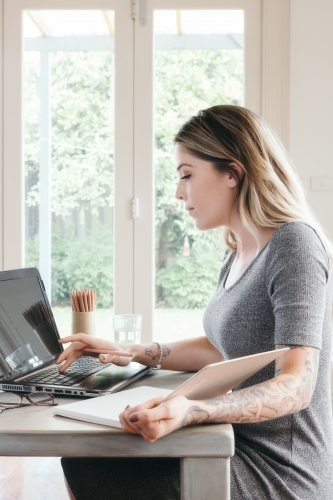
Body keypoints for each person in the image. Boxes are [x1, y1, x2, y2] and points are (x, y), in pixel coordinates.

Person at [56, 105, 333, 500]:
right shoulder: (239, 250)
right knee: (87, 457)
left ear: (233, 173)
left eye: (187, 174)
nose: (178, 191)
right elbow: (220, 348)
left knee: (97, 467)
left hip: (281, 470)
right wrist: (132, 351)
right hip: (230, 439)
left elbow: (297, 385)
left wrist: (191, 409)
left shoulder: (294, 244)